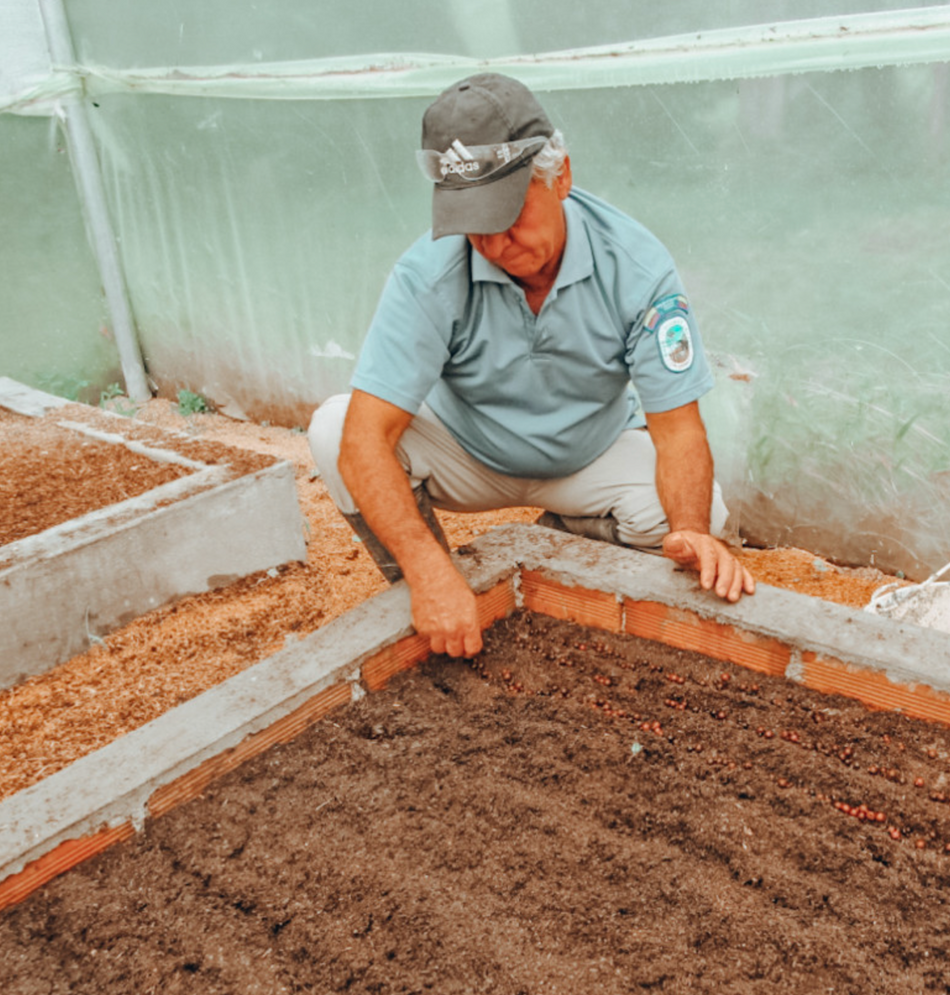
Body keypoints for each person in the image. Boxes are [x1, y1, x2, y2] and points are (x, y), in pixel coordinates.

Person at [308, 73, 754, 660]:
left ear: (560, 175)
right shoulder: (428, 275)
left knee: (694, 517)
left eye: (507, 215)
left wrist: (693, 529)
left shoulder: (638, 267)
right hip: (469, 451)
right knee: (335, 429)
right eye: (474, 222)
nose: (492, 244)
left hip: (587, 452)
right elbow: (367, 439)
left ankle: (560, 538)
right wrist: (429, 573)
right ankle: (430, 591)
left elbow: (678, 431)